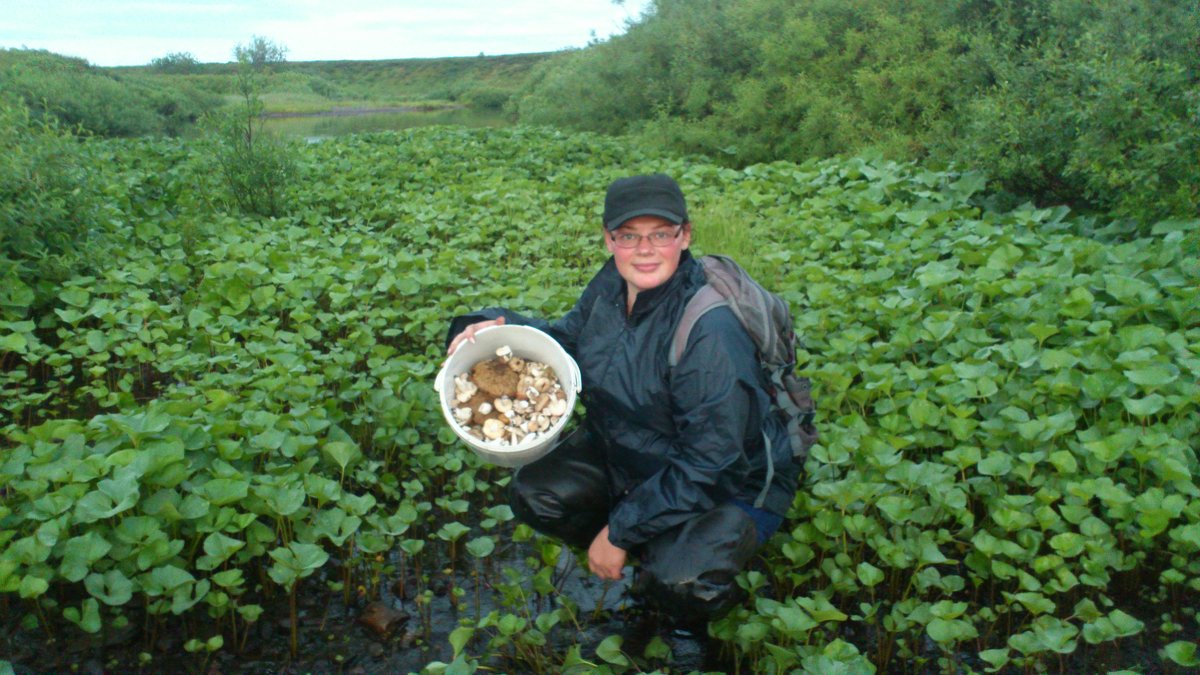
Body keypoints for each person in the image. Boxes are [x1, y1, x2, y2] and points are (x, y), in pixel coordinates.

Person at [445, 173, 801, 622]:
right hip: (637, 448)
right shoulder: (612, 285)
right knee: (537, 494)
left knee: (683, 583)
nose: (645, 249)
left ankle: (684, 611)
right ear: (609, 239)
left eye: (660, 234)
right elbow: (568, 341)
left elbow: (714, 461)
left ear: (685, 235)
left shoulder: (710, 330)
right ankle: (642, 548)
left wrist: (620, 532)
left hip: (733, 482)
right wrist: (495, 325)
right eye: (628, 236)